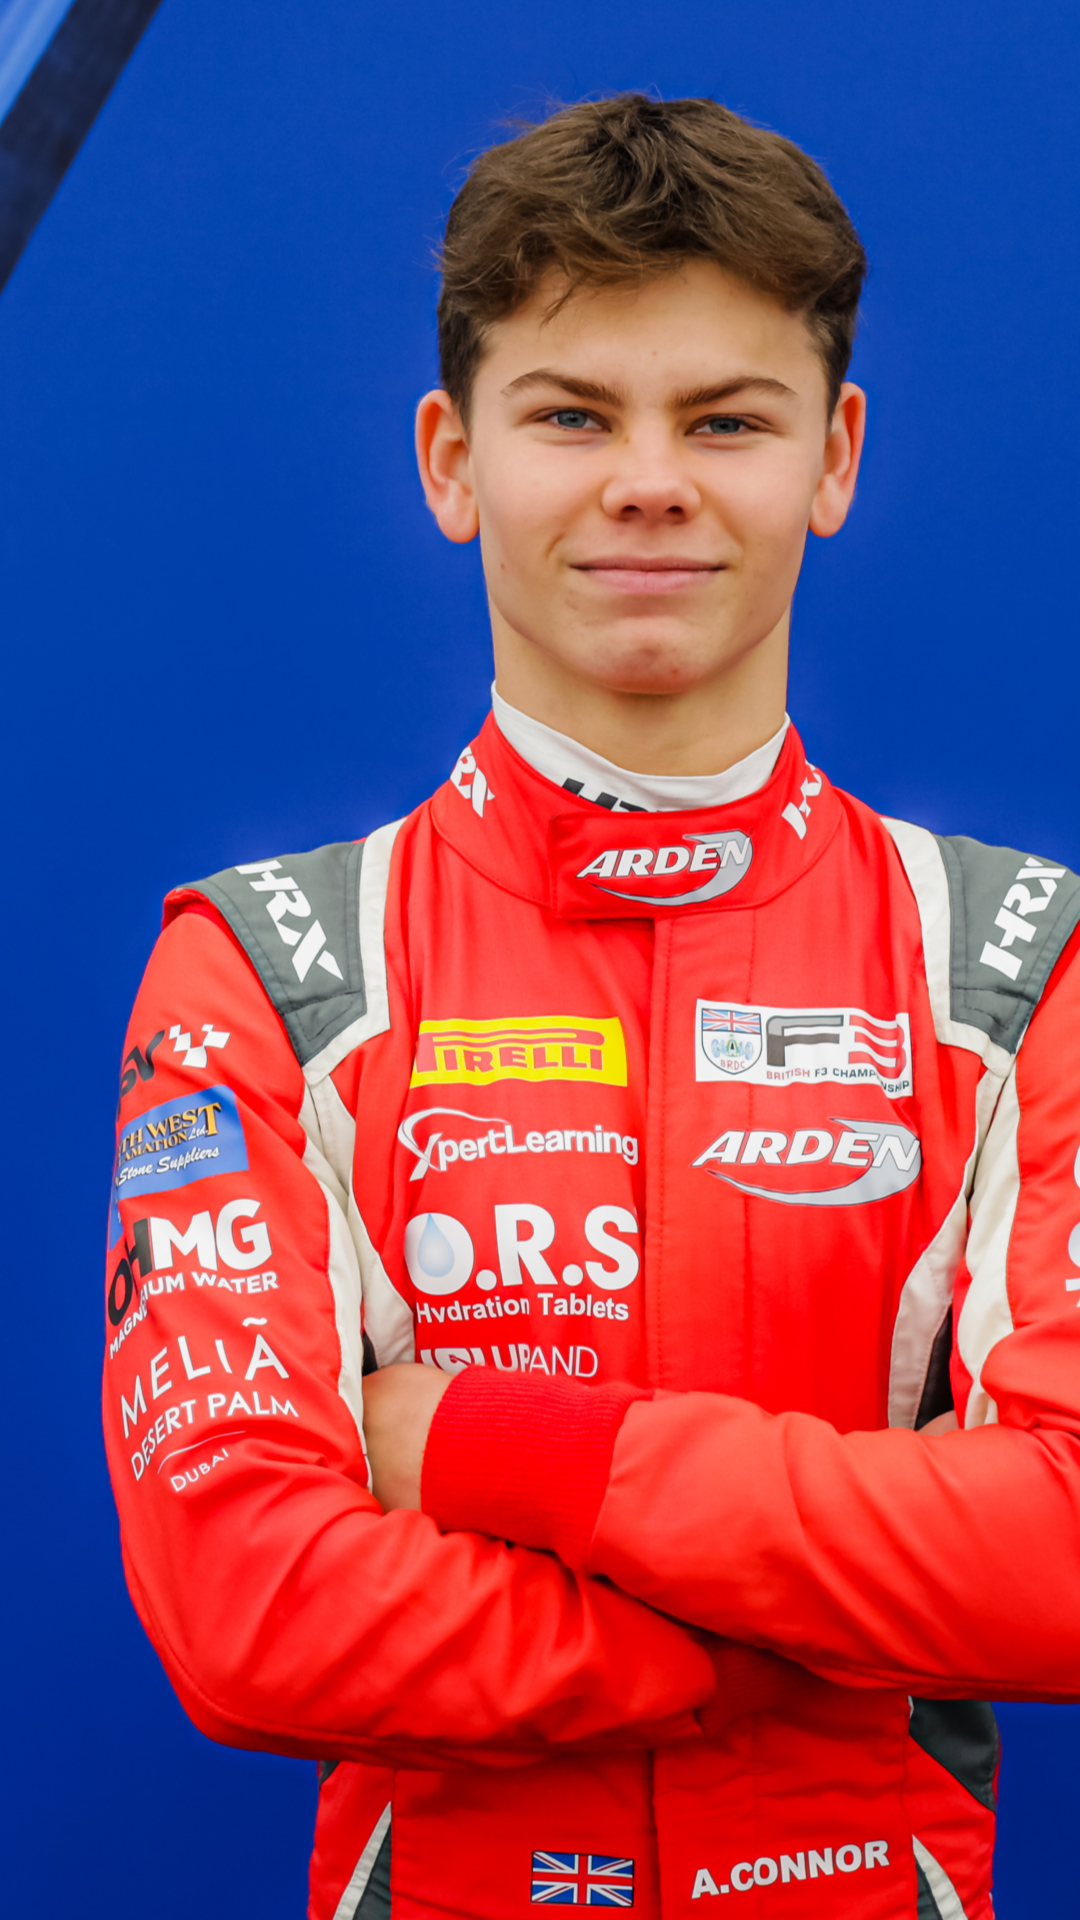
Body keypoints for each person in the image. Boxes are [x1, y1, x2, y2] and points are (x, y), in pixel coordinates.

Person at [102, 94, 1080, 1920]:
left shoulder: (1017, 974)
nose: (652, 478)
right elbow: (249, 1612)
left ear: (836, 456)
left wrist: (480, 1442)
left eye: (727, 418)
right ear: (450, 460)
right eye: (572, 415)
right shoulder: (269, 971)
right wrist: (803, 1641)